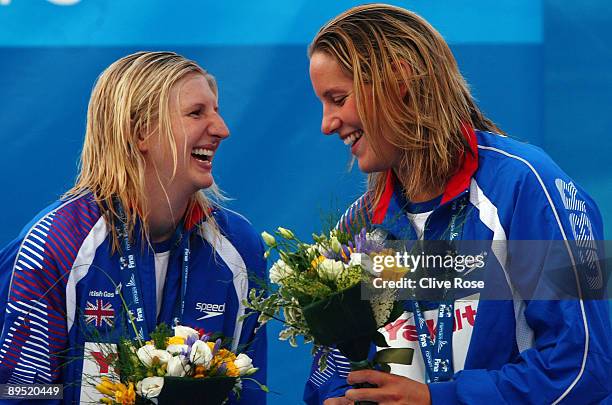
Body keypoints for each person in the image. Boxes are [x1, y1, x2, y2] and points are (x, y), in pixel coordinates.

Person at [304, 4, 611, 404]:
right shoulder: (358, 229)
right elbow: (335, 372)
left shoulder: (532, 186)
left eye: (338, 98)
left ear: (397, 80)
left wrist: (440, 399)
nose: (327, 124)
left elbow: (586, 364)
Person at [0, 51, 267, 404]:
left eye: (216, 111)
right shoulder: (55, 245)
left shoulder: (238, 248)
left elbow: (247, 392)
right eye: (196, 113)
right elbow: (17, 392)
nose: (221, 129)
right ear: (141, 131)